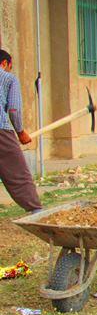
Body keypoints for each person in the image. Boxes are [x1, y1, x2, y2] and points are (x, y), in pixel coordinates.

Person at [0, 49, 42, 213]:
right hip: (2, 131)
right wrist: (20, 132)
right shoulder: (9, 78)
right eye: (10, 67)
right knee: (18, 173)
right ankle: (35, 209)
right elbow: (13, 110)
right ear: (5, 63)